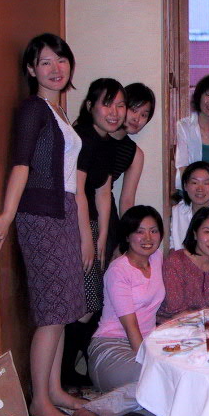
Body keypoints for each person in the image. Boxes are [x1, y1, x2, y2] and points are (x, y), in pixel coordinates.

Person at [0, 33, 87, 416]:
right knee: (52, 310)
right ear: (31, 69)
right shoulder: (33, 109)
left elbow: (70, 177)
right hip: (40, 216)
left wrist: (81, 233)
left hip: (63, 212)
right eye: (45, 62)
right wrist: (6, 215)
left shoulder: (59, 112)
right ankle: (40, 400)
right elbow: (21, 164)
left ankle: (54, 390)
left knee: (63, 308)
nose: (56, 68)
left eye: (61, 59)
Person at [87, 205, 165, 393]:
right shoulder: (119, 270)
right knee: (154, 377)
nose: (148, 238)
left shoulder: (157, 258)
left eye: (153, 231)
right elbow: (131, 327)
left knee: (172, 375)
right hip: (112, 348)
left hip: (147, 344)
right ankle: (101, 407)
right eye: (140, 232)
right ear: (128, 236)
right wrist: (146, 359)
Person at [74, 78, 127, 314]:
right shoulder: (81, 138)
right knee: (84, 304)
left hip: (93, 223)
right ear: (89, 106)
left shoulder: (108, 141)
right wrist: (87, 238)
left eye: (120, 105)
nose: (115, 112)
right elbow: (77, 191)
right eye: (107, 104)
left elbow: (103, 192)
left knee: (95, 300)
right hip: (74, 224)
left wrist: (103, 236)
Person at [158, 206, 209, 323]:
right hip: (169, 329)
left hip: (203, 329)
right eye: (207, 232)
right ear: (195, 234)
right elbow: (176, 310)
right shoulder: (177, 262)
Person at [106, 83, 155, 259]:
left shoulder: (135, 153)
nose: (137, 119)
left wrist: (125, 239)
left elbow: (127, 200)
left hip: (106, 211)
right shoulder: (94, 134)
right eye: (134, 110)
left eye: (144, 115)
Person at [169, 161, 209, 250]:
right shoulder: (177, 211)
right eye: (194, 183)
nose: (200, 189)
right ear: (185, 186)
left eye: (206, 183)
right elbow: (172, 246)